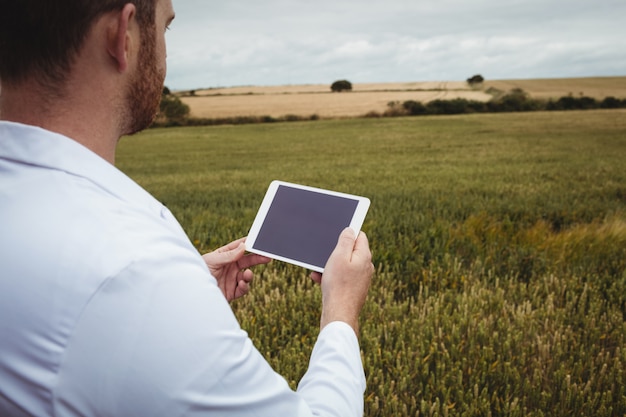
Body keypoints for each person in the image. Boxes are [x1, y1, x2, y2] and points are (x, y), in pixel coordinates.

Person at [0, 0, 374, 416]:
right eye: (165, 28)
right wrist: (341, 309)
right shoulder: (135, 271)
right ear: (122, 35)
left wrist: (188, 290)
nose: (163, 50)